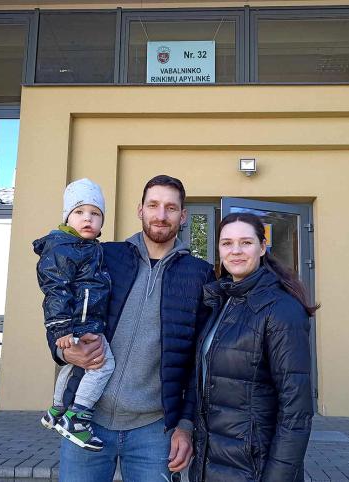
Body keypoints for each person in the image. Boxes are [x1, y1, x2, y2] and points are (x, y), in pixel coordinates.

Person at [49, 175, 216, 482]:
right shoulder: (105, 255)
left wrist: (186, 425)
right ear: (140, 210)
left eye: (170, 208)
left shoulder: (200, 274)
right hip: (85, 420)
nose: (161, 215)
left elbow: (200, 360)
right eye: (153, 205)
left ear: (183, 216)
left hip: (154, 429)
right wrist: (63, 352)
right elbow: (61, 303)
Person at [190, 212, 317, 482]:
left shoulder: (281, 309)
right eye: (227, 243)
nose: (235, 250)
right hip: (212, 464)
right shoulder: (221, 301)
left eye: (246, 242)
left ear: (262, 247)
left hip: (254, 469)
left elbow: (296, 411)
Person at [33, 178, 115, 451]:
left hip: (85, 320)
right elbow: (55, 288)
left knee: (73, 367)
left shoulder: (87, 247)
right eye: (79, 212)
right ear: (67, 217)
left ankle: (56, 411)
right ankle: (77, 417)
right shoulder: (64, 247)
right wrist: (61, 328)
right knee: (102, 365)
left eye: (95, 213)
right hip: (81, 323)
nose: (88, 218)